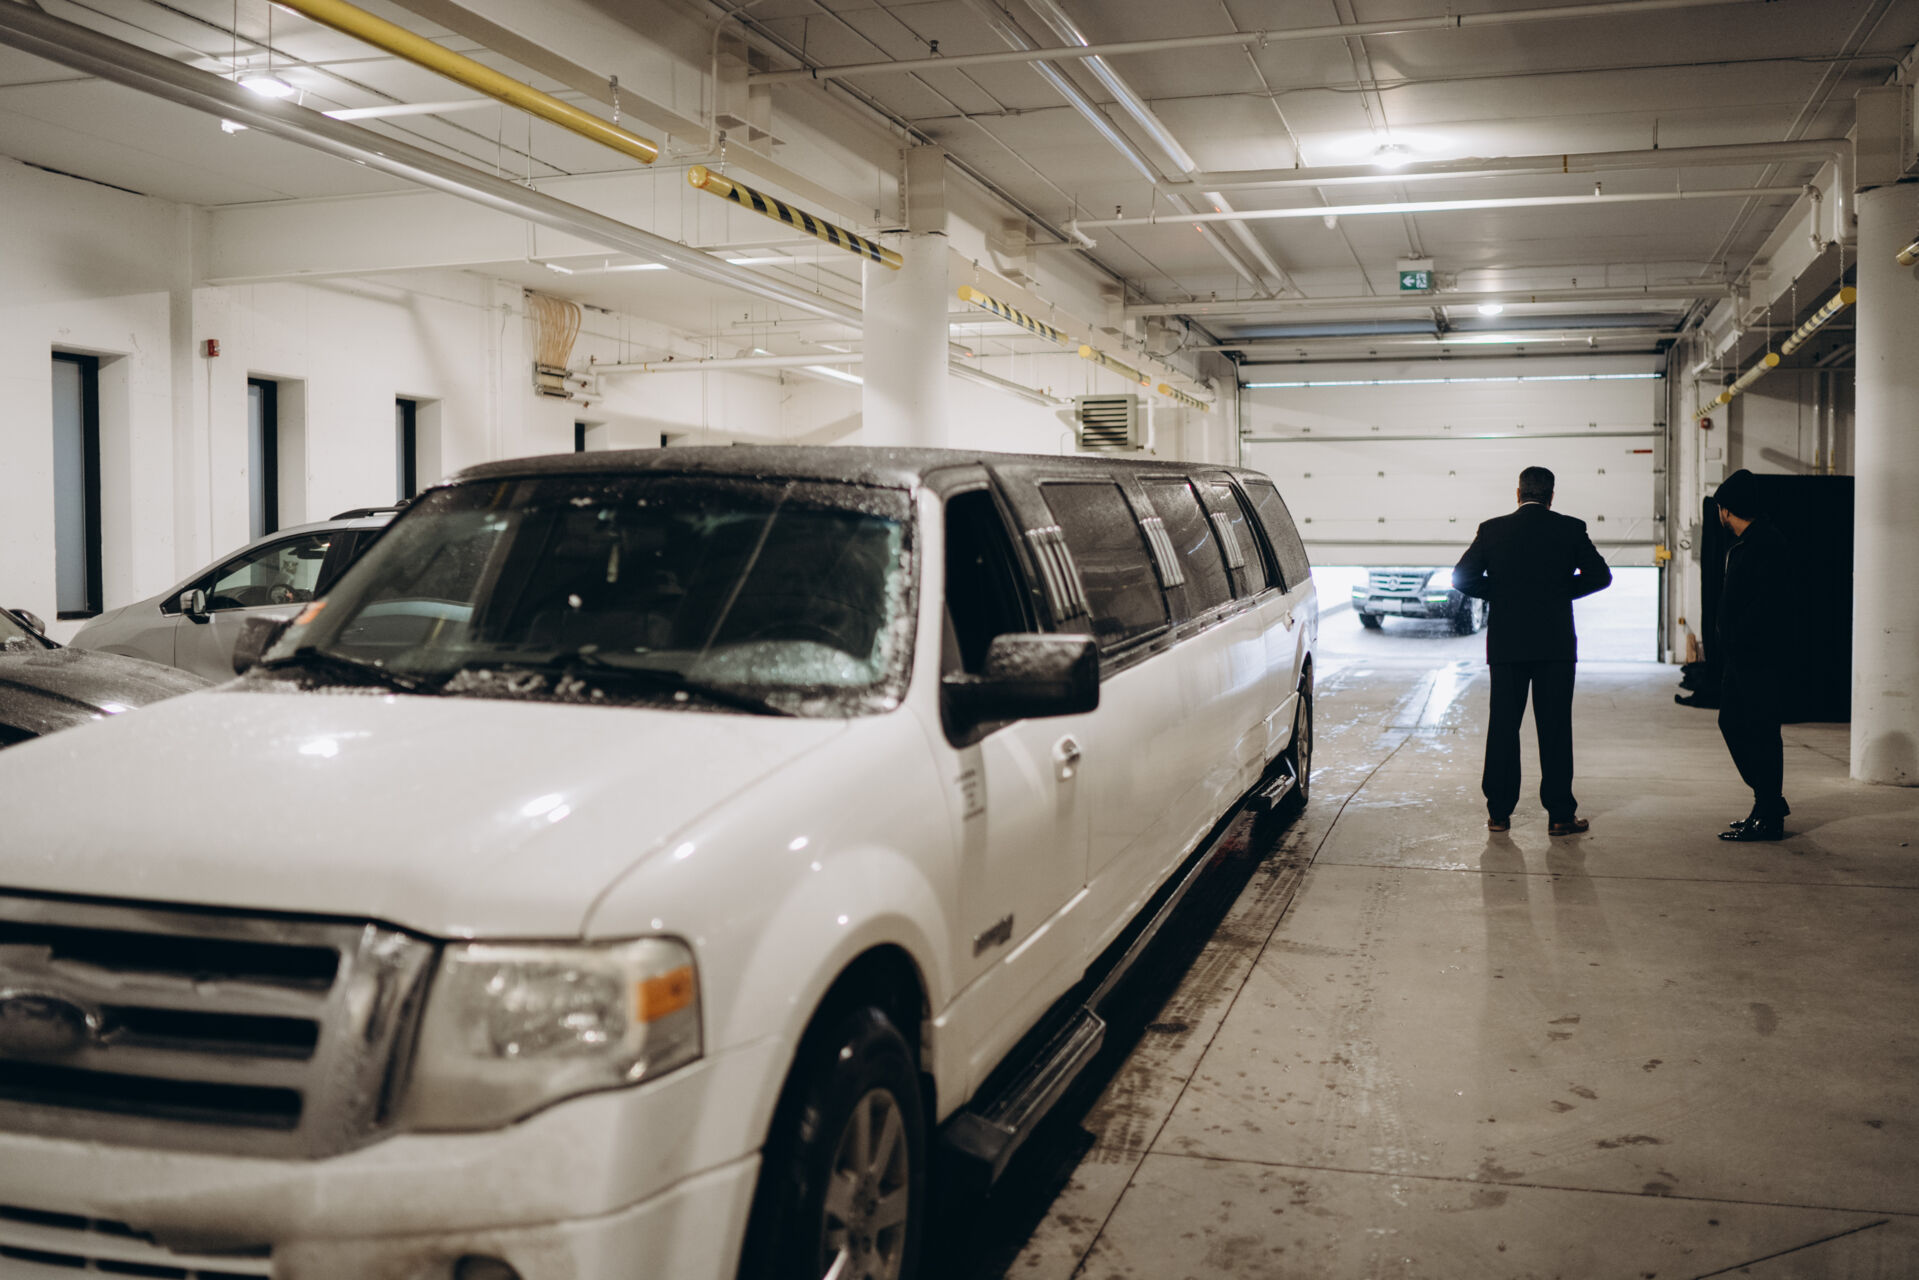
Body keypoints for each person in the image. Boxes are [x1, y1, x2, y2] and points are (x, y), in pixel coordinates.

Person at [1453, 466, 1613, 835]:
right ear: (1551, 496)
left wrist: (1502, 593)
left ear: (1518, 493)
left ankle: (1498, 813)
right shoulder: (1571, 528)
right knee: (1555, 728)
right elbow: (1600, 576)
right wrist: (1558, 592)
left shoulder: (1492, 529)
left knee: (1503, 727)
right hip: (1555, 645)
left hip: (1507, 645)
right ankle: (1559, 815)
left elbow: (1462, 577)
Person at [1710, 469, 1791, 842]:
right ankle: (1767, 804)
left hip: (1757, 656)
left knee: (1759, 731)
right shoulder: (1754, 542)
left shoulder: (1764, 544)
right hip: (1744, 656)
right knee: (1736, 723)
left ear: (1726, 510)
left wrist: (1738, 638)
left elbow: (1766, 605)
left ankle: (1768, 811)